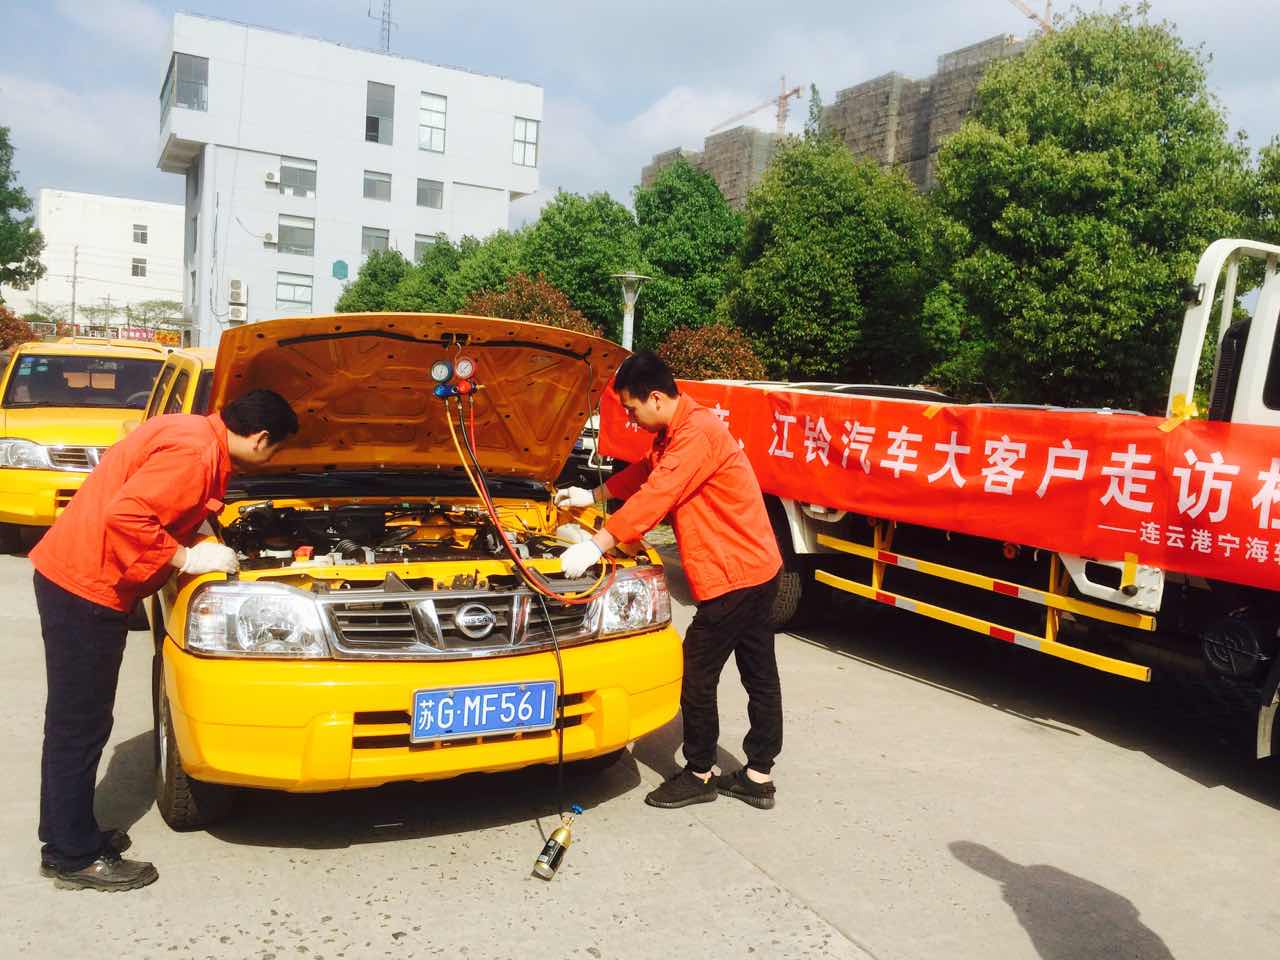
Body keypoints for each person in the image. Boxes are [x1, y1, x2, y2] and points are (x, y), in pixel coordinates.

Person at [29, 389, 299, 891]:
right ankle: (70, 855)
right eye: (277, 449)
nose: (273, 457)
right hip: (86, 586)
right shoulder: (196, 454)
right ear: (261, 438)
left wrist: (195, 539)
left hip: (76, 575)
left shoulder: (191, 429)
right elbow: (127, 516)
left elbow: (155, 502)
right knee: (79, 724)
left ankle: (70, 831)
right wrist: (187, 558)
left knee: (78, 721)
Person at [556, 352, 783, 810]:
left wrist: (596, 544)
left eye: (632, 409)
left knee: (696, 672)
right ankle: (759, 775)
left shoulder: (696, 434)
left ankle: (699, 773)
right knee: (759, 672)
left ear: (656, 398)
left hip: (734, 576)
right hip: (758, 566)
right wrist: (593, 493)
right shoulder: (676, 431)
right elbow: (647, 472)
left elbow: (658, 495)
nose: (630, 418)